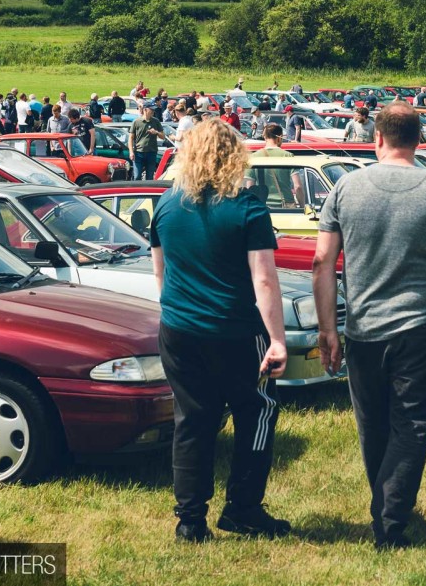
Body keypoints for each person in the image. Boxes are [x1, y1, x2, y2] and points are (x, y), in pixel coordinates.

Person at [312, 102, 426, 550]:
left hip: (362, 328)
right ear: (419, 139)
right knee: (411, 424)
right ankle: (390, 520)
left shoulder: (345, 188)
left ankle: (386, 506)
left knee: (372, 424)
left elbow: (322, 262)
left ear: (377, 138)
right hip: (418, 329)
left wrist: (327, 330)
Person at [149, 119, 289, 543]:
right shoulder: (248, 207)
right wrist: (278, 340)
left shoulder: (166, 204)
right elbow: (264, 280)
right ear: (234, 156)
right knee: (257, 410)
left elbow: (161, 273)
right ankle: (243, 508)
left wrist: (179, 310)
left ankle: (190, 520)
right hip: (235, 330)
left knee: (193, 419)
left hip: (178, 328)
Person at [130, 104, 166, 180]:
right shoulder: (136, 122)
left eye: (153, 110)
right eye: (151, 110)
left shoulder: (156, 121)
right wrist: (131, 152)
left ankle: (147, 187)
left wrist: (156, 132)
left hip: (151, 152)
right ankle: (136, 188)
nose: (153, 111)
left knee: (150, 177)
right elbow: (131, 138)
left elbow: (163, 136)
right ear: (145, 110)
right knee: (137, 176)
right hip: (138, 152)